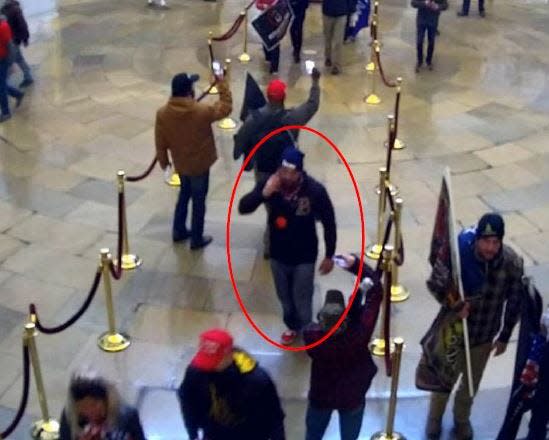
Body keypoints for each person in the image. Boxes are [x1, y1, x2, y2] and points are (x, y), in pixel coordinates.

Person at [425, 213, 524, 440]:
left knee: (470, 384)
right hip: (454, 333)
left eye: (495, 242)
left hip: (483, 335)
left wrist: (504, 336)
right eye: (486, 241)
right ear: (477, 239)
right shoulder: (459, 257)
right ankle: (434, 418)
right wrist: (454, 304)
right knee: (443, 381)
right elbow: (436, 283)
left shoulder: (511, 263)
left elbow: (515, 301)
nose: (490, 248)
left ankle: (461, 418)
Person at [238, 147, 337, 345]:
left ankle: (308, 328)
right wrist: (264, 193)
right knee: (284, 297)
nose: (286, 176)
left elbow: (329, 221)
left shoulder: (314, 190)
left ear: (299, 172)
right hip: (278, 253)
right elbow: (244, 207)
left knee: (302, 297)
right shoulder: (270, 186)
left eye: (291, 172)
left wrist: (329, 255)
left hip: (304, 255)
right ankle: (292, 325)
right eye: (282, 171)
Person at [234, 69, 320, 258]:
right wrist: (315, 83)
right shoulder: (292, 118)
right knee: (285, 205)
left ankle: (270, 245)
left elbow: (241, 138)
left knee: (271, 205)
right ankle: (280, 241)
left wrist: (238, 155)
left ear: (267, 96)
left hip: (263, 170)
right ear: (284, 97)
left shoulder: (254, 118)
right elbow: (312, 105)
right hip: (287, 173)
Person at [303, 256, 382, 440]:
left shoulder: (312, 337)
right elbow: (376, 293)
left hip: (321, 395)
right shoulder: (358, 335)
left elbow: (313, 329)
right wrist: (357, 265)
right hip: (352, 395)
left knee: (313, 434)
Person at [155, 72, 232, 250]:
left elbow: (160, 142)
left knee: (184, 195)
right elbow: (226, 107)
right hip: (200, 165)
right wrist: (222, 85)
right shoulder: (201, 111)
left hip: (181, 164)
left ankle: (179, 229)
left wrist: (165, 164)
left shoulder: (163, 114)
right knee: (199, 201)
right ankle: (197, 238)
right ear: (189, 90)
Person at [178, 328, 286, 439]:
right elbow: (187, 400)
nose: (208, 367)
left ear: (229, 356)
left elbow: (274, 416)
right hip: (213, 433)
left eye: (214, 361)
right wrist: (192, 432)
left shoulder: (256, 380)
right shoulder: (196, 371)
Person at [59, 371, 146, 440]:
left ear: (105, 400)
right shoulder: (69, 417)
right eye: (83, 407)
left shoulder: (128, 415)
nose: (89, 411)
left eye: (93, 404)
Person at [1, 0, 32, 87]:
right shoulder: (5, 9)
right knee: (18, 59)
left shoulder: (13, 9)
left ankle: (3, 84)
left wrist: (25, 39)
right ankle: (28, 76)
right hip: (11, 39)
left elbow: (22, 25)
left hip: (13, 40)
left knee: (9, 61)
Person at [411, 0, 447, 72]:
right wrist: (424, 3)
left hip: (433, 20)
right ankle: (420, 61)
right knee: (419, 41)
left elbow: (445, 5)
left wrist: (437, 7)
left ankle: (429, 61)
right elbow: (413, 3)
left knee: (431, 42)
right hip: (421, 20)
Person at [322, 0, 356, 74]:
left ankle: (336, 65)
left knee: (338, 41)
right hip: (327, 11)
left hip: (341, 12)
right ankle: (328, 57)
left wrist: (352, 10)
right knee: (327, 38)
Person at [0, 14, 23, 122]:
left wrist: (10, 62)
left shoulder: (3, 27)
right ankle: (18, 94)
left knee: (1, 87)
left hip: (2, 60)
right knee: (1, 85)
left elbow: (10, 46)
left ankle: (6, 113)